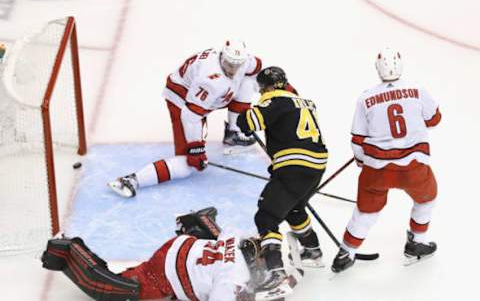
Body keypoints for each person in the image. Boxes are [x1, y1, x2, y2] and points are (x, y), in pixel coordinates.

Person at [331, 48, 442, 273]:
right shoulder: (418, 90)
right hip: (414, 167)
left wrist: (363, 163)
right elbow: (435, 119)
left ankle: (346, 252)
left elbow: (358, 139)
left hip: (377, 170)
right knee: (426, 199)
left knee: (366, 211)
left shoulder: (366, 97)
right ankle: (416, 242)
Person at [109, 40, 262, 197]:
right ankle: (132, 180)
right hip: (181, 103)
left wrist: (280, 87)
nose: (233, 69)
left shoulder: (241, 61)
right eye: (229, 64)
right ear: (222, 56)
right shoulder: (210, 80)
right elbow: (191, 115)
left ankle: (234, 133)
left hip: (200, 100)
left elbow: (257, 68)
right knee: (187, 165)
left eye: (237, 65)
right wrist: (196, 149)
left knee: (247, 81)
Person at [41, 207, 299, 301]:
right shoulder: (233, 280)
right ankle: (67, 250)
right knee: (120, 290)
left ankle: (197, 220)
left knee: (214, 240)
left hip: (183, 245)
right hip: (164, 272)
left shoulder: (238, 238)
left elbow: (226, 237)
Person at [236, 67, 328, 291]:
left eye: (261, 89)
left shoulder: (274, 99)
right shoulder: (303, 101)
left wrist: (241, 117)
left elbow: (249, 121)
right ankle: (312, 249)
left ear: (267, 86)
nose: (261, 94)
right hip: (317, 165)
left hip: (293, 166)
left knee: (266, 216)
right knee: (294, 208)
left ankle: (275, 272)